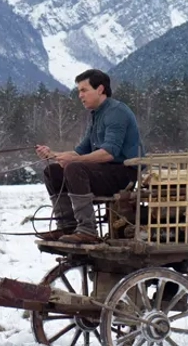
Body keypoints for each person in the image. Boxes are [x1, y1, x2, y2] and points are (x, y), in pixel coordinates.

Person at [36, 69, 143, 244]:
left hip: (124, 175)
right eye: (79, 91)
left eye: (84, 90)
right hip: (104, 172)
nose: (80, 95)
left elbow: (109, 153)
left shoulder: (116, 112)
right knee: (52, 171)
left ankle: (87, 230)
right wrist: (52, 154)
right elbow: (79, 152)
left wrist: (73, 161)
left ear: (100, 89)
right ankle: (67, 225)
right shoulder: (96, 115)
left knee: (75, 168)